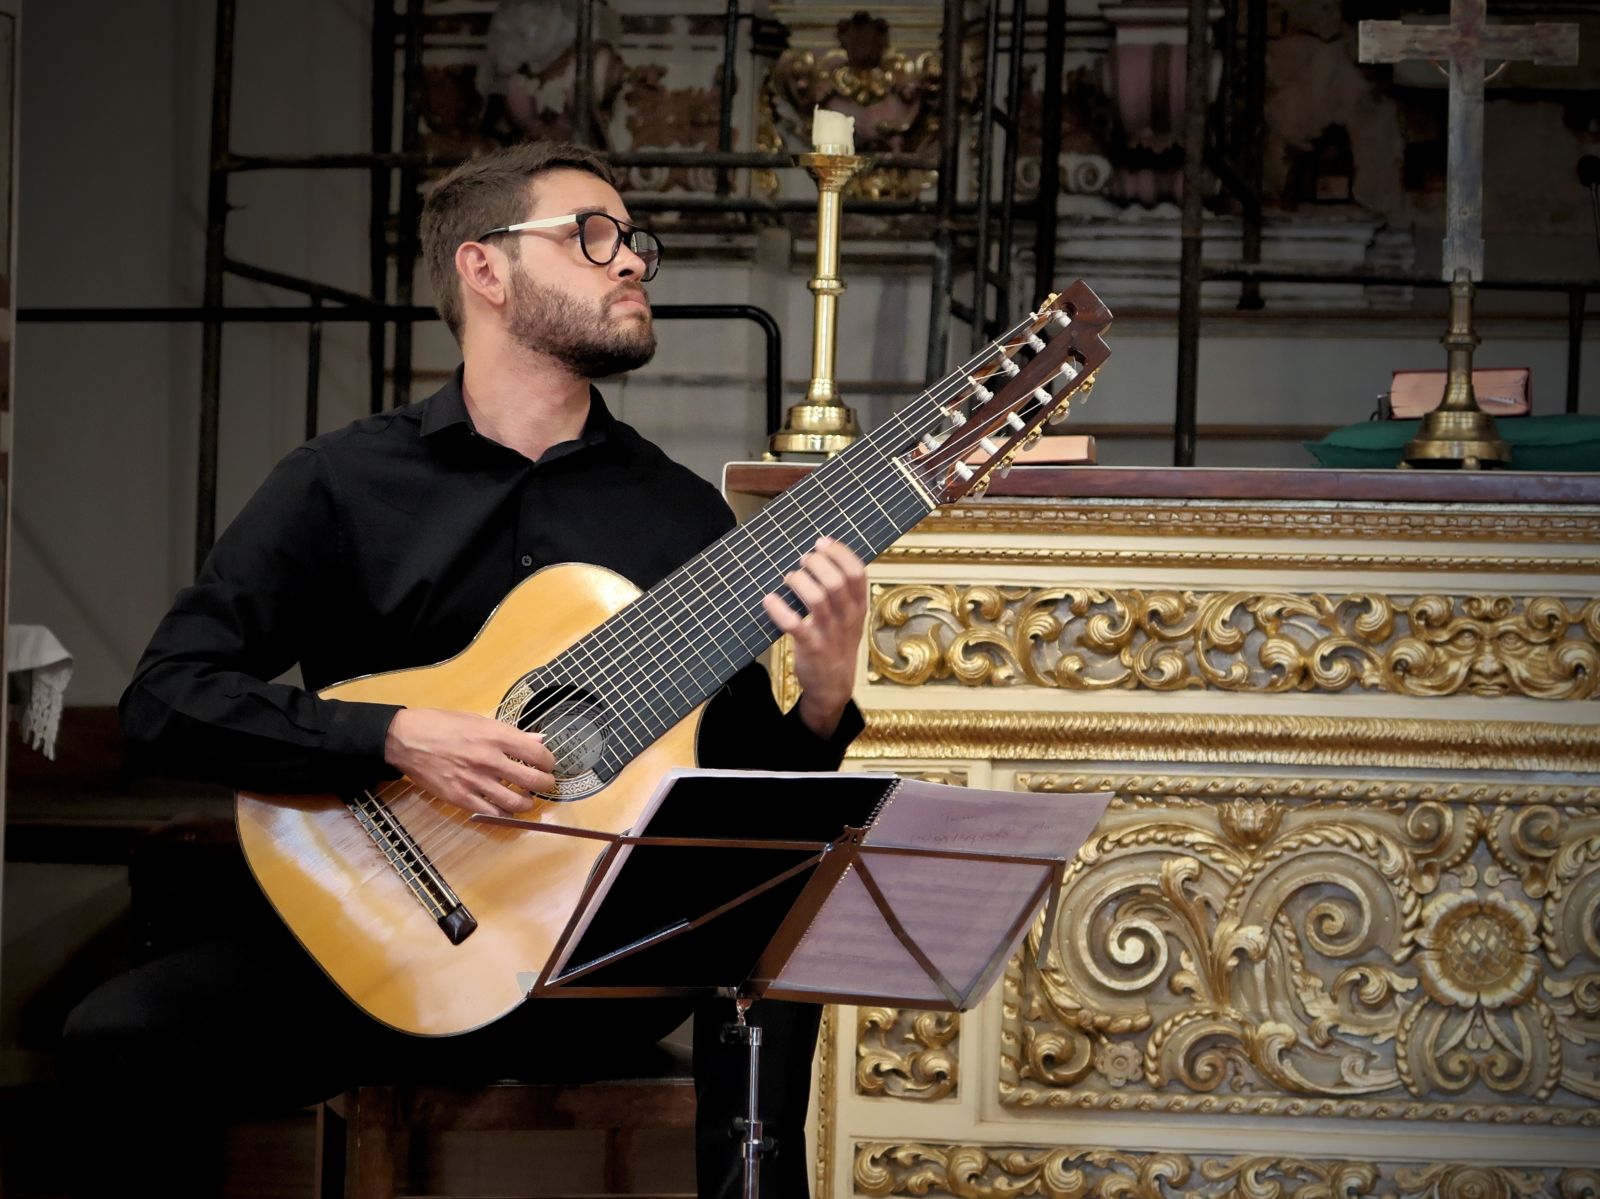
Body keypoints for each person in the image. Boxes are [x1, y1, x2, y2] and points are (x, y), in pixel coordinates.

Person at [62, 140, 868, 1198]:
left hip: (585, 970)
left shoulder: (674, 511)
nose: (631, 262)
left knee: (772, 944)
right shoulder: (342, 483)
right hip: (374, 946)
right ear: (483, 270)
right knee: (117, 1036)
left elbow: (737, 801)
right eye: (592, 236)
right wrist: (392, 734)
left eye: (635, 244)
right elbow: (164, 700)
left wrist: (817, 702)